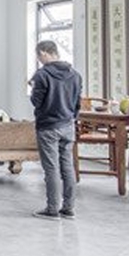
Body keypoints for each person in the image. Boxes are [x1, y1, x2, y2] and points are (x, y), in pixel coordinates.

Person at [29, 40, 83, 220]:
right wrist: (71, 118)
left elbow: (36, 102)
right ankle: (69, 208)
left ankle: (52, 209)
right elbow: (77, 103)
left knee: (51, 168)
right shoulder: (75, 75)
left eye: (39, 55)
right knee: (67, 166)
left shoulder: (41, 75)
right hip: (68, 125)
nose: (39, 59)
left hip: (48, 127)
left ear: (44, 53)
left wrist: (33, 87)